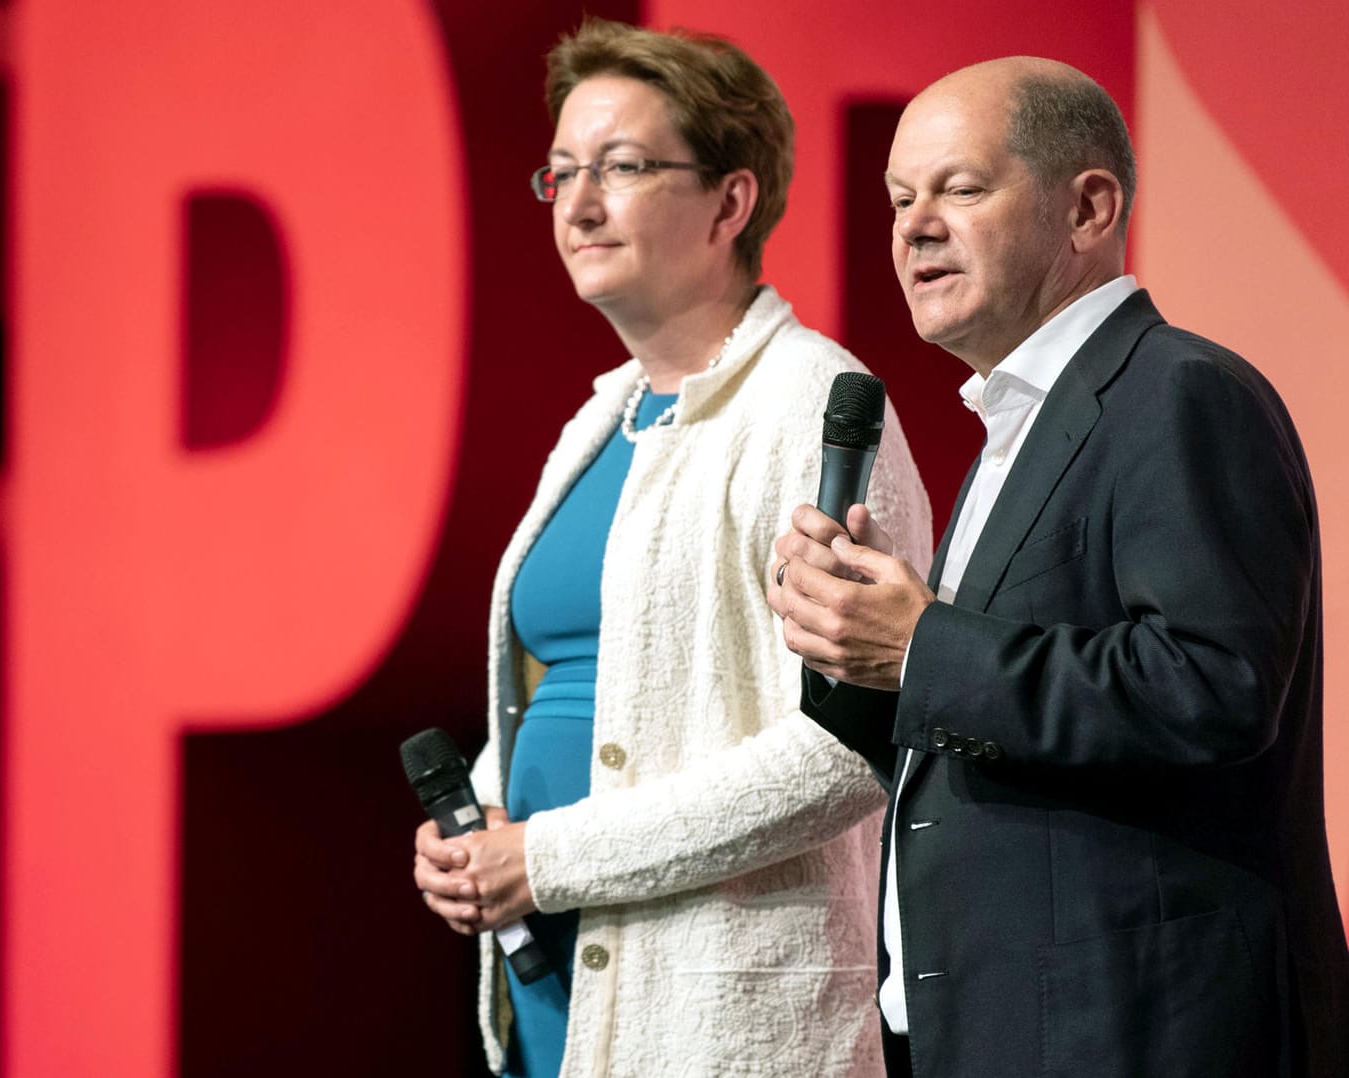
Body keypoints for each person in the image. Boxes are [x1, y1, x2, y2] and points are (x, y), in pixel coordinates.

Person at [767, 57, 1349, 1077]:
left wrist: (921, 649)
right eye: (899, 199)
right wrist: (853, 651)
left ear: (1087, 208)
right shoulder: (1014, 428)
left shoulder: (1178, 392)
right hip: (998, 1026)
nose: (912, 227)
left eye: (959, 187)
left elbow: (1213, 687)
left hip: (1137, 1028)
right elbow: (982, 719)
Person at [410, 17, 931, 1077]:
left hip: (714, 1014)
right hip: (555, 983)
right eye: (561, 174)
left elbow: (842, 753)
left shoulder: (810, 406)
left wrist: (545, 856)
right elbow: (580, 677)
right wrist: (481, 818)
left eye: (624, 167)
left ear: (732, 202)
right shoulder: (604, 415)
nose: (581, 205)